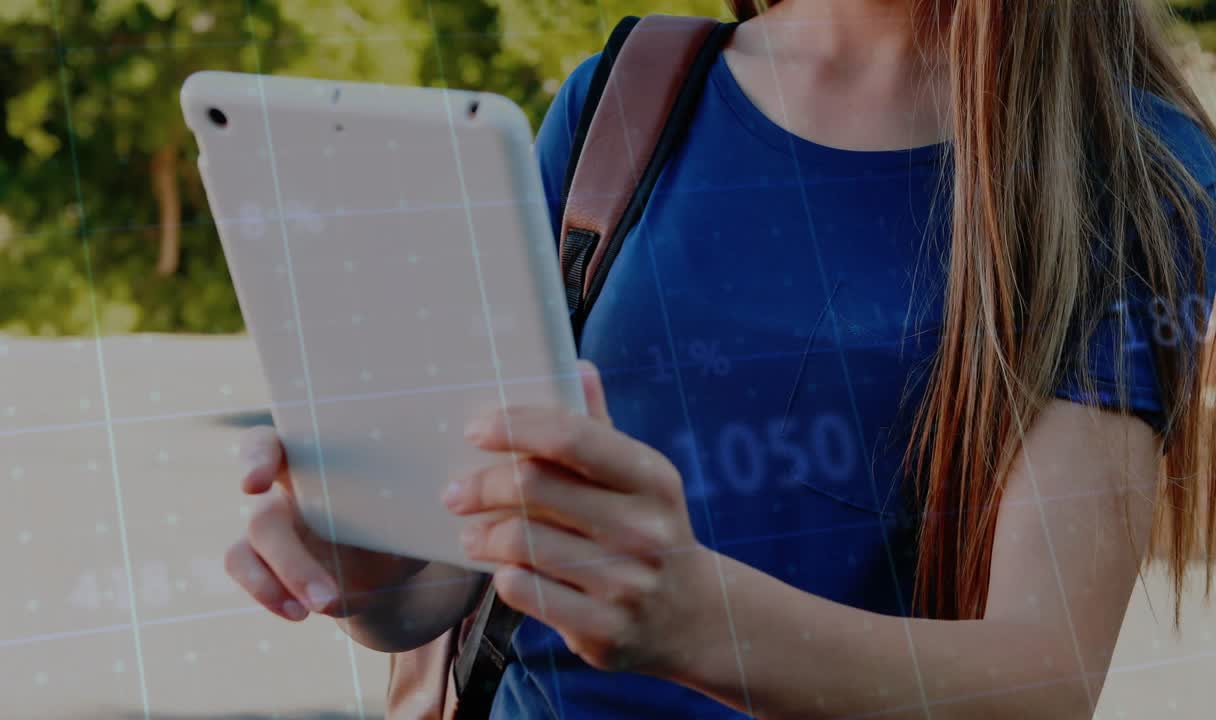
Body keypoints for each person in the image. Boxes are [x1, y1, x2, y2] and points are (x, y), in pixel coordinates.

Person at [224, 0, 1216, 717]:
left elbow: (1041, 680)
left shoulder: (1124, 169)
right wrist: (359, 558)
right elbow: (457, 573)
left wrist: (697, 619)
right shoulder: (631, 89)